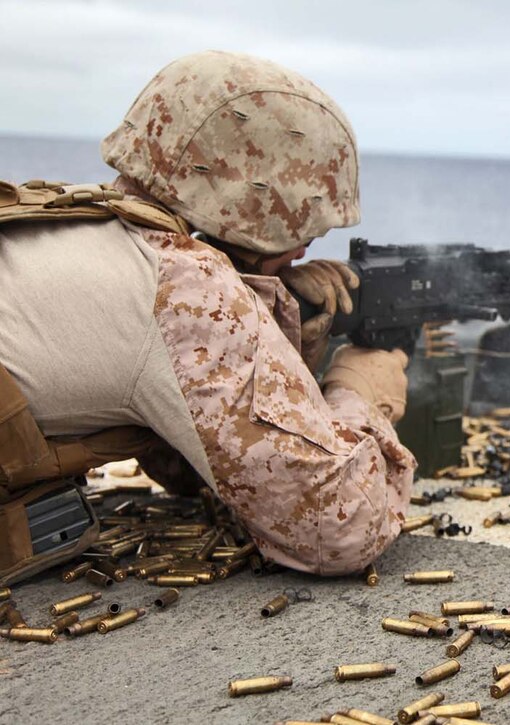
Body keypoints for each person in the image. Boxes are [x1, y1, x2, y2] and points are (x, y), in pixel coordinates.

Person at [0, 50, 415, 582]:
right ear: (253, 206)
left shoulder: (77, 221)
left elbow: (198, 464)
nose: (302, 253)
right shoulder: (182, 284)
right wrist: (360, 393)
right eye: (303, 234)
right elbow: (338, 529)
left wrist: (275, 333)